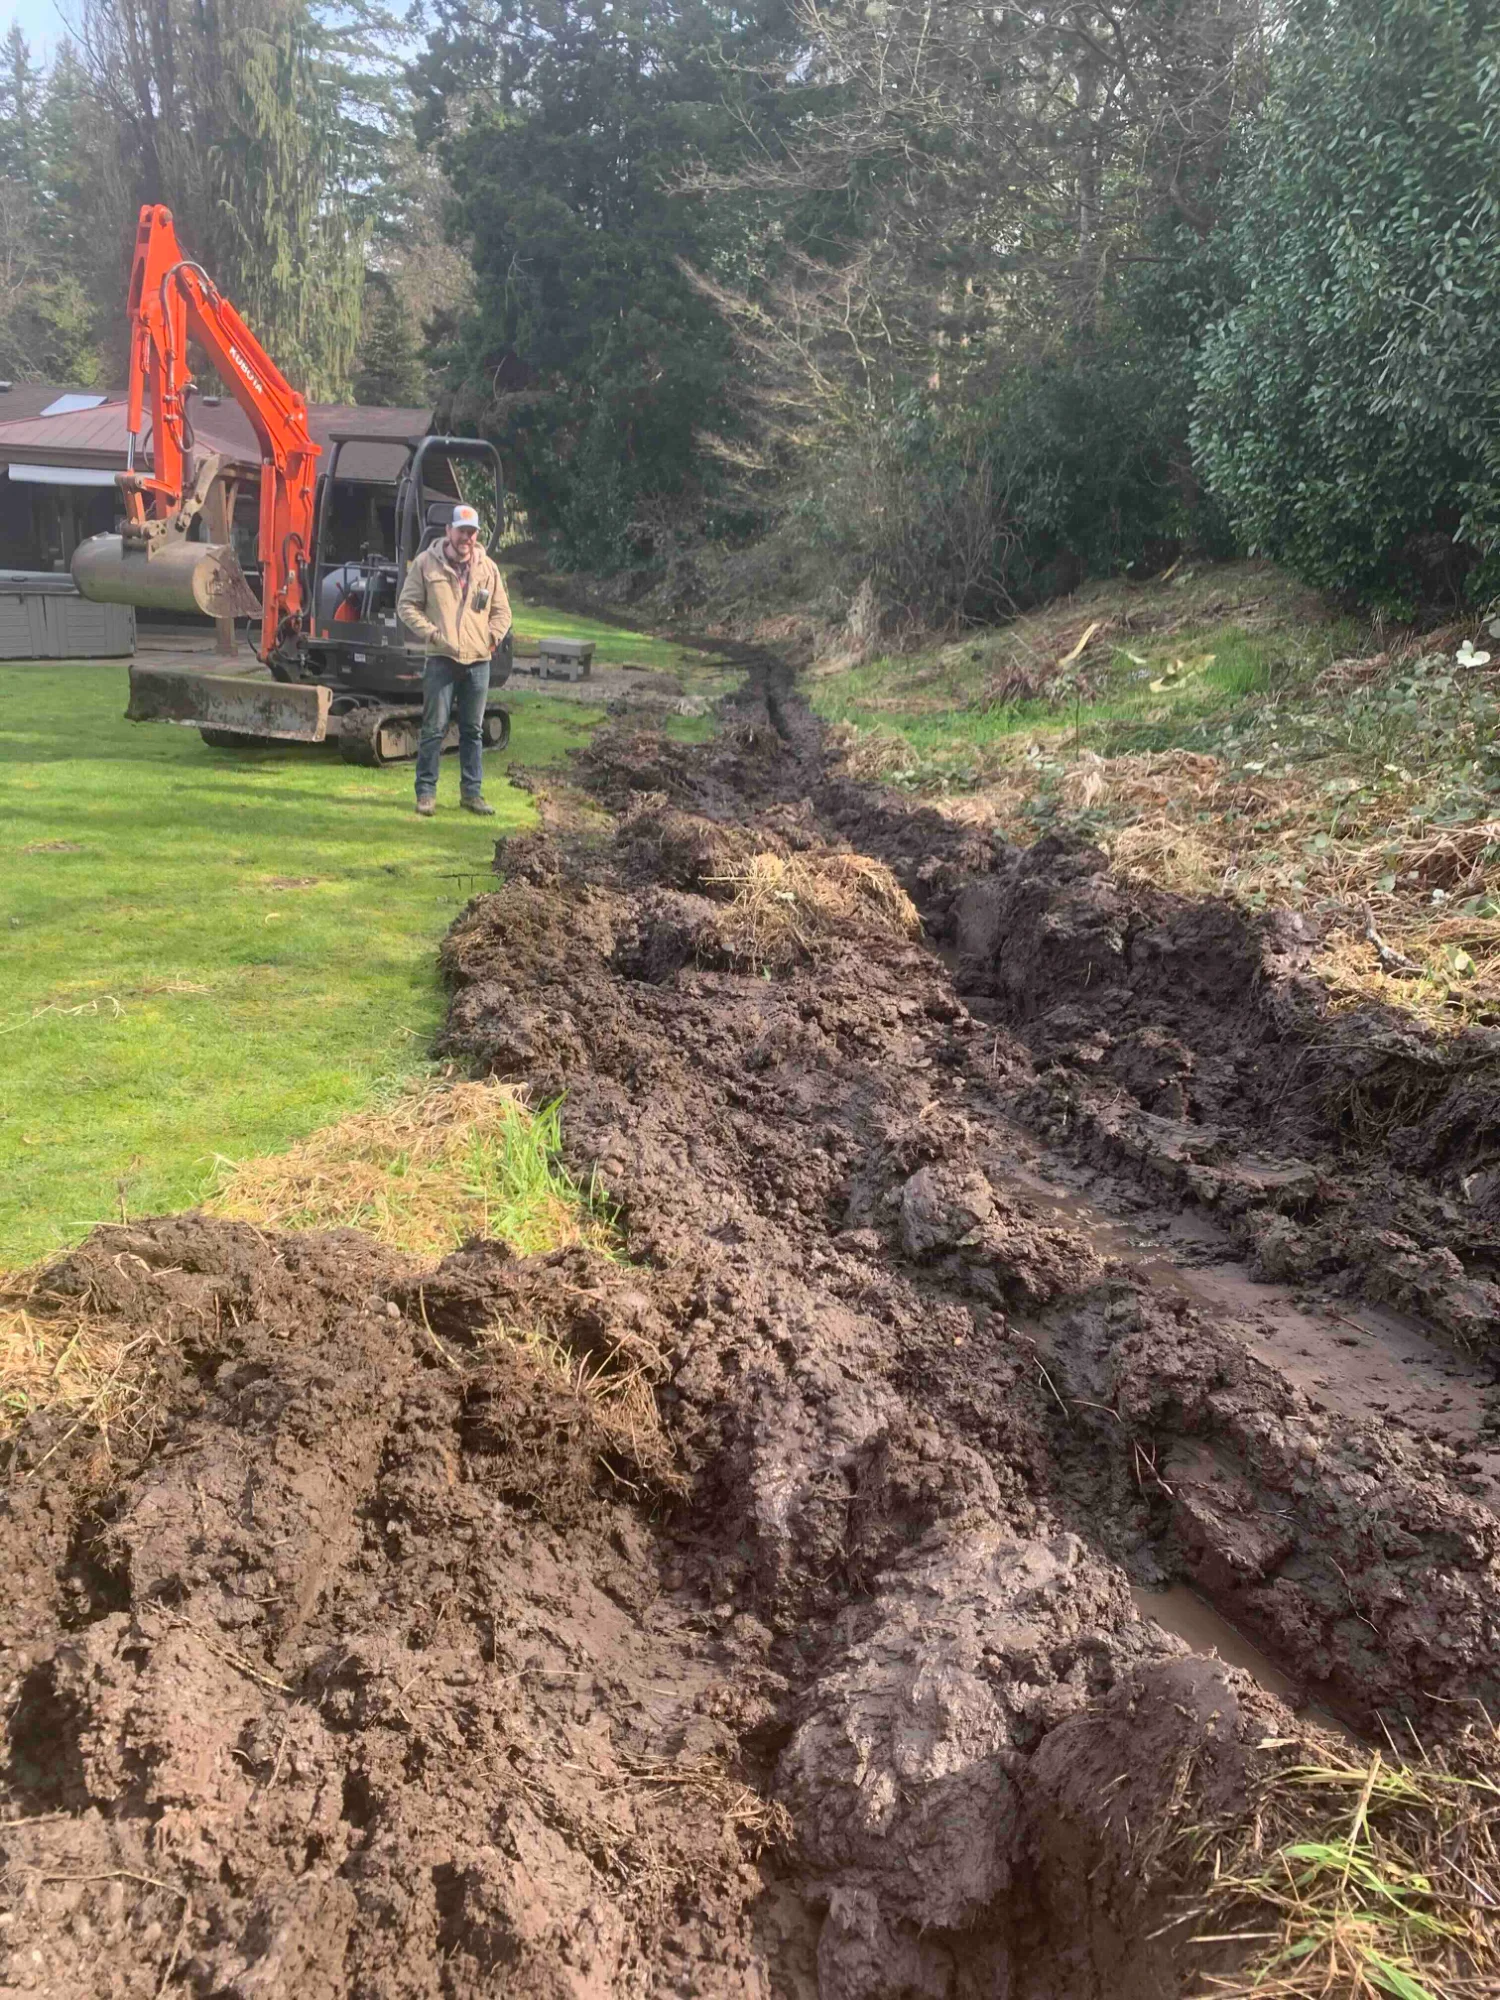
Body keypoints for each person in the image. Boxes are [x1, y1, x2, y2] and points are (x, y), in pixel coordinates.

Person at [396, 503, 512, 816]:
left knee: (473, 731)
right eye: (462, 530)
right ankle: (426, 794)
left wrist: (491, 638)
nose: (467, 537)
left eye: (472, 532)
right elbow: (406, 606)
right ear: (449, 531)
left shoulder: (488, 568)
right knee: (434, 728)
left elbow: (502, 612)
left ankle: (472, 795)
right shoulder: (425, 564)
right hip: (441, 660)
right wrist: (432, 634)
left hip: (478, 662)